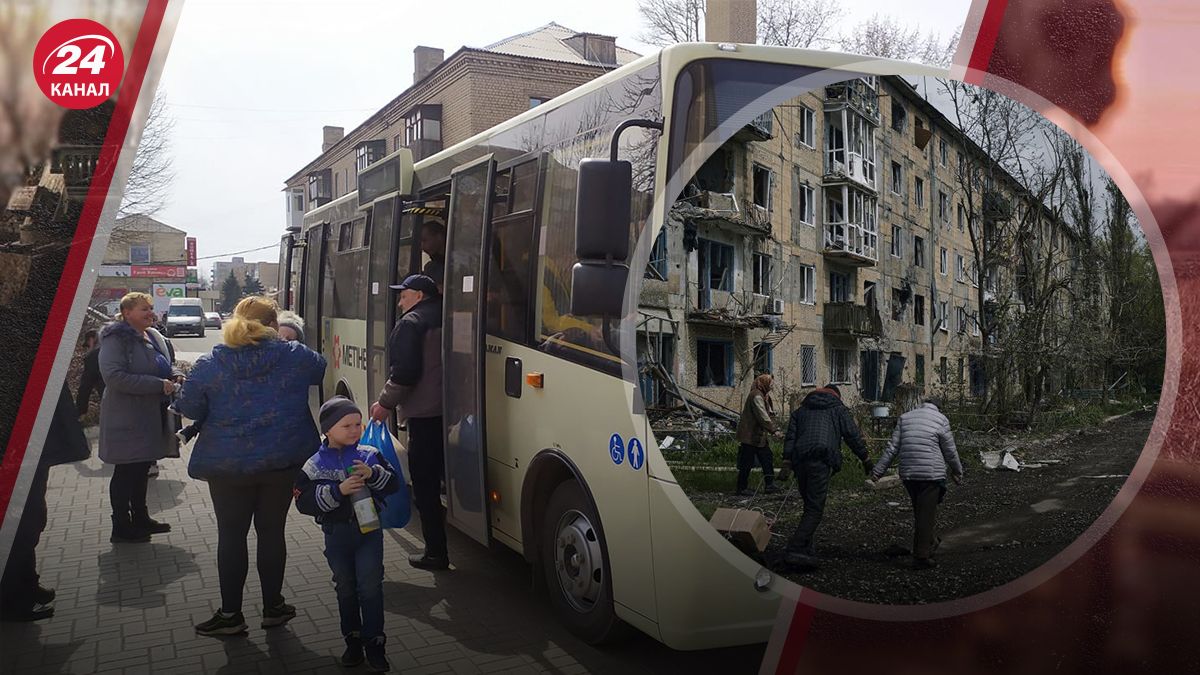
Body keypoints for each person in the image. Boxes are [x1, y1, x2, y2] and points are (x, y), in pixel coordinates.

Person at [174, 296, 326, 636]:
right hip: (281, 461)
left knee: (231, 535)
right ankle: (273, 607)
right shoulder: (294, 356)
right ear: (272, 325)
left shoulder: (210, 364)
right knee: (272, 532)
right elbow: (321, 369)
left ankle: (231, 615)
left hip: (227, 466)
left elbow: (189, 407)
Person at [295, 397, 400, 672]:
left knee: (371, 587)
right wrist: (337, 491)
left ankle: (375, 645)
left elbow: (394, 484)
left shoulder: (369, 453)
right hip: (336, 534)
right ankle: (352, 642)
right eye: (346, 425)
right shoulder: (314, 464)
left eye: (357, 423)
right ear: (328, 429)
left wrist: (373, 474)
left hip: (370, 533)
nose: (355, 430)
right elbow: (302, 501)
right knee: (345, 587)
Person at [369, 273, 446, 571]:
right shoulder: (449, 314)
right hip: (451, 411)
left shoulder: (411, 324)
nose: (400, 301)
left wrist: (384, 403)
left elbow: (405, 373)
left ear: (418, 295)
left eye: (403, 295)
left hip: (425, 415)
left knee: (425, 486)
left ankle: (436, 553)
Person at [97, 292, 181, 543]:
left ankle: (141, 518)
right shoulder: (116, 339)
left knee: (142, 467)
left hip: (148, 416)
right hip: (126, 417)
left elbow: (166, 363)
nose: (150, 313)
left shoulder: (152, 336)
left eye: (151, 308)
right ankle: (121, 526)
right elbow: (113, 377)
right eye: (144, 309)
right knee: (126, 471)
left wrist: (174, 375)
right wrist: (158, 385)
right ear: (127, 313)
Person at [1, 386, 90, 621]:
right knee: (22, 525)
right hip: (16, 451)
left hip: (32, 448)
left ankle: (28, 584)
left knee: (31, 520)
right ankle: (13, 598)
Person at [781, 384, 873, 569]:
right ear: (836, 396)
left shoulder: (800, 412)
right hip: (821, 459)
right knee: (815, 508)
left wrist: (786, 462)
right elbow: (851, 435)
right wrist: (865, 457)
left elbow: (790, 437)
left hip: (800, 461)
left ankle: (806, 547)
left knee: (808, 504)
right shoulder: (838, 409)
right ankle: (795, 548)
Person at [870, 397, 964, 569]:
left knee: (920, 512)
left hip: (909, 475)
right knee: (926, 514)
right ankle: (921, 557)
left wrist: (878, 471)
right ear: (938, 407)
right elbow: (950, 450)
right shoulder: (941, 419)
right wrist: (957, 471)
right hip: (931, 474)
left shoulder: (905, 418)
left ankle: (930, 542)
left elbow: (892, 448)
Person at [734, 374, 779, 496]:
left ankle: (770, 485)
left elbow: (768, 413)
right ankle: (741, 488)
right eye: (770, 383)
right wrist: (774, 430)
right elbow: (762, 415)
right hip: (750, 435)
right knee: (746, 462)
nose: (771, 386)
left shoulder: (764, 395)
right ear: (764, 383)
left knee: (767, 458)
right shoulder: (756, 395)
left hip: (759, 436)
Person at [75, 329, 105, 417]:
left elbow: (85, 386)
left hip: (110, 399)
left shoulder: (93, 357)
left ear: (91, 340)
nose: (88, 348)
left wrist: (81, 410)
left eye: (88, 345)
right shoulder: (116, 345)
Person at [419, 220, 446, 293]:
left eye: (424, 240)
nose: (422, 247)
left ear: (439, 237)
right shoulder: (430, 268)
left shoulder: (461, 262)